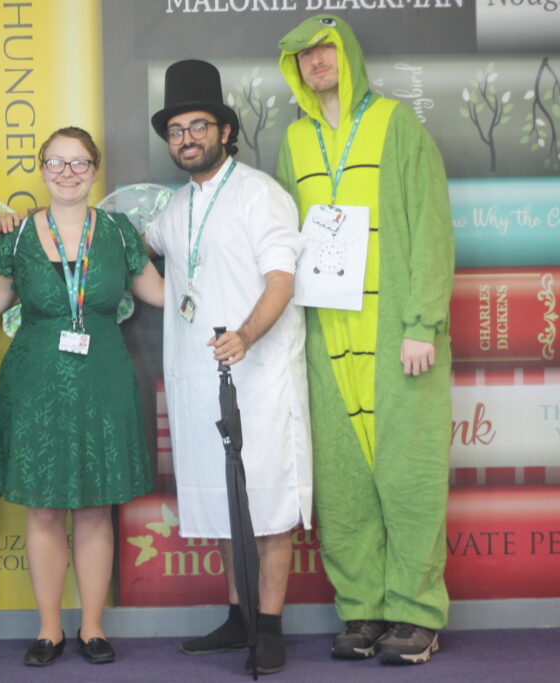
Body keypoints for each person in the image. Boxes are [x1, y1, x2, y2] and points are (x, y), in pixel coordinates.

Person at [276, 15, 454, 665]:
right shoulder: (293, 141)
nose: (318, 61)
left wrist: (421, 322)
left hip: (397, 337)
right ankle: (364, 610)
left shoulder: (397, 124)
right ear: (293, 69)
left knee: (409, 479)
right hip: (325, 338)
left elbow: (432, 222)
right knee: (344, 487)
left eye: (326, 49)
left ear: (346, 55)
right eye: (305, 55)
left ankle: (416, 612)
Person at [0, 126, 164, 667]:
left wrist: (232, 288)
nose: (68, 173)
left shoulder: (121, 232)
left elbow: (156, 291)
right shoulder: (17, 235)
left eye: (79, 163)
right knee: (44, 512)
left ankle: (94, 628)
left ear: (95, 168)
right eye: (56, 162)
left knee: (97, 508)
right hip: (34, 382)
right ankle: (50, 629)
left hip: (103, 376)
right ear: (42, 168)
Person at [146, 60, 311, 676]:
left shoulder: (260, 193)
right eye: (177, 130)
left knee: (264, 500)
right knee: (220, 497)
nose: (187, 138)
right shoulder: (175, 206)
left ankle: (268, 627)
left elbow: (281, 280)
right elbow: (143, 245)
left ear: (224, 130)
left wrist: (244, 335)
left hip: (260, 377)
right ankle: (238, 615)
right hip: (197, 382)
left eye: (198, 126)